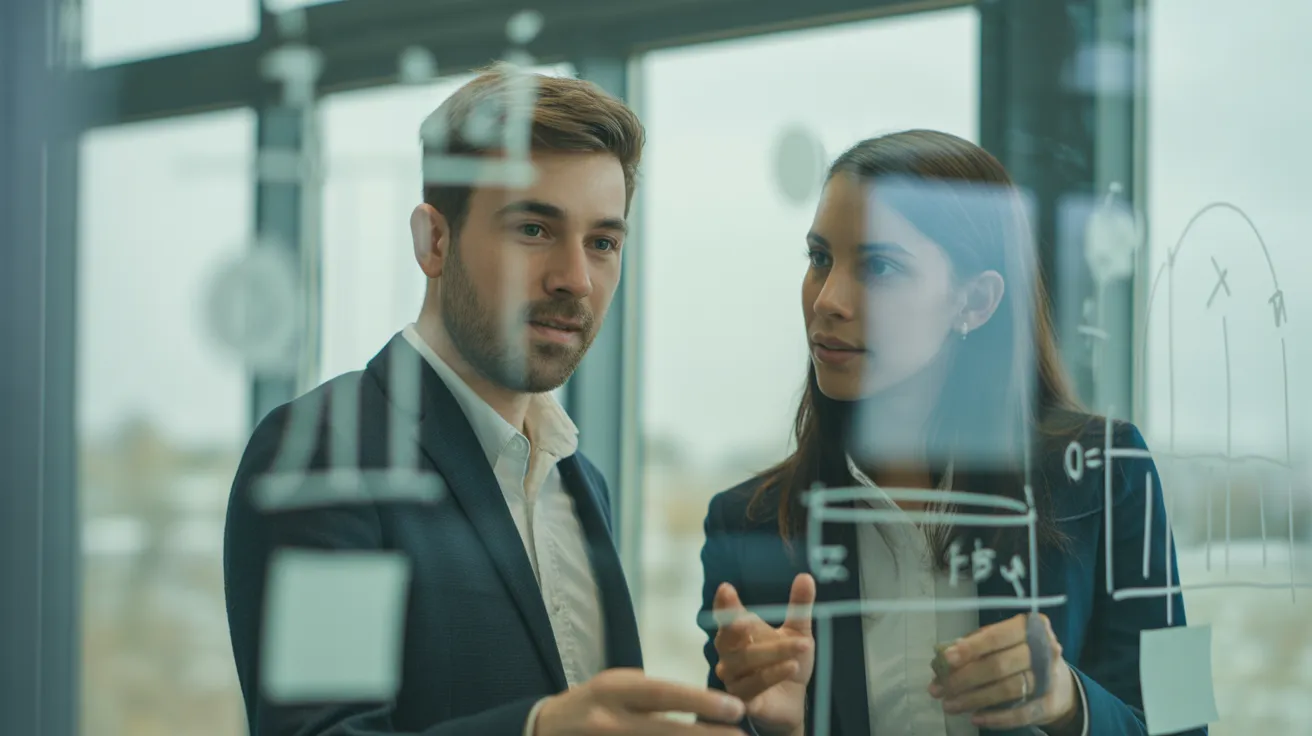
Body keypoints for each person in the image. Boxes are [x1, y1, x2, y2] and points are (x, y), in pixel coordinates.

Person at [225, 64, 746, 736]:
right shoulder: (332, 453)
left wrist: (755, 711)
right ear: (433, 241)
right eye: (534, 229)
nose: (576, 280)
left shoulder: (579, 481)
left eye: (603, 242)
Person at [698, 130, 1204, 736]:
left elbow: (1187, 717)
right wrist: (777, 732)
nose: (827, 300)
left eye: (879, 266)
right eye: (819, 258)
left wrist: (1072, 701)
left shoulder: (1115, 471)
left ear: (977, 300)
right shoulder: (744, 524)